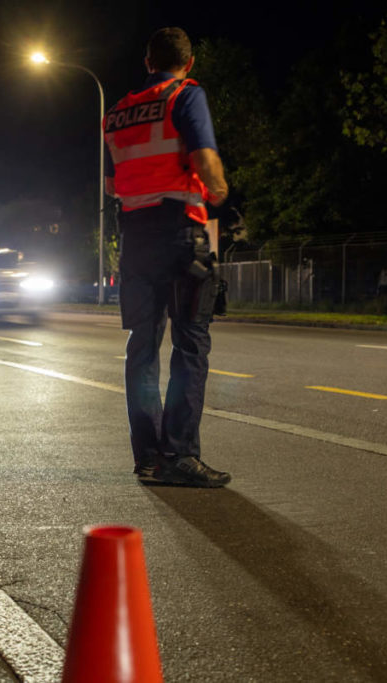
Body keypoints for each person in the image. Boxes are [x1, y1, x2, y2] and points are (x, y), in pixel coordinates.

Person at [103, 27, 231, 488]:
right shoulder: (185, 94)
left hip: (135, 237)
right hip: (180, 232)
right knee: (191, 343)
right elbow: (204, 159)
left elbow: (110, 183)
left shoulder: (116, 113)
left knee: (142, 346)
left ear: (147, 61)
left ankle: (149, 457)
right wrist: (218, 190)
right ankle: (180, 454)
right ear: (189, 62)